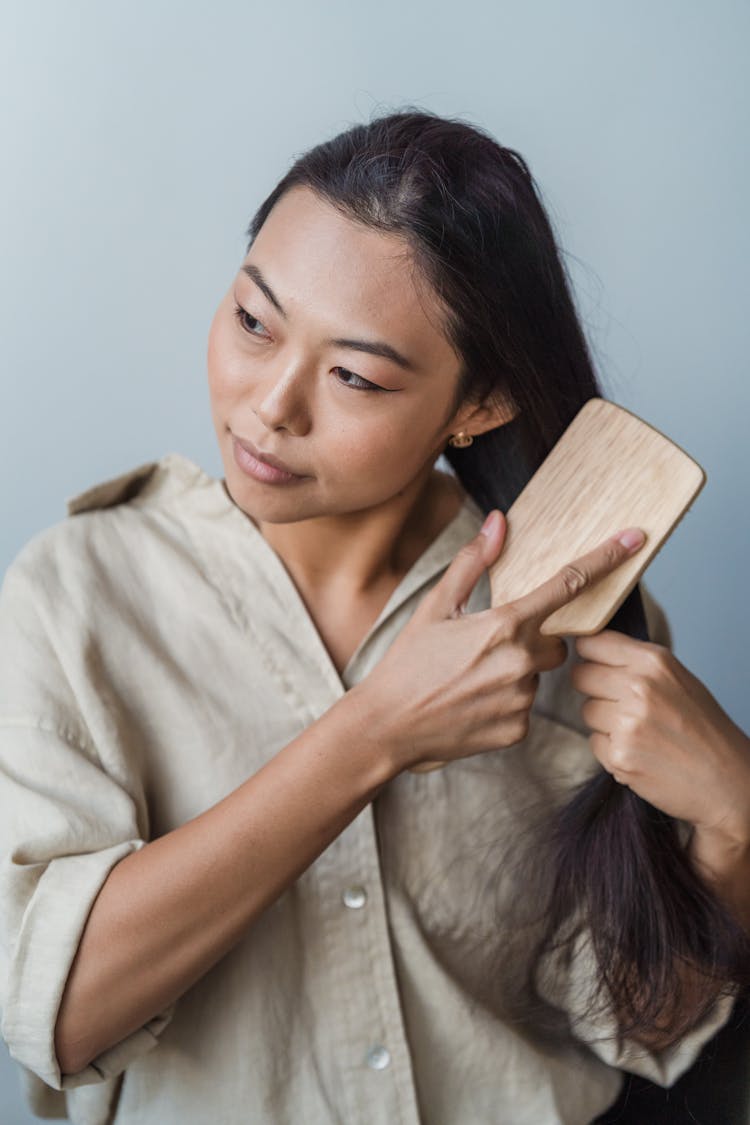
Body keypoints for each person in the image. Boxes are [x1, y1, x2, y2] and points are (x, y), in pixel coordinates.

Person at [1, 107, 749, 1125]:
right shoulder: (74, 593)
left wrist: (735, 826)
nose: (270, 405)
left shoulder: (576, 611)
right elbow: (62, 1019)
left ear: (478, 403)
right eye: (254, 322)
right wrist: (375, 732)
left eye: (354, 376)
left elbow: (638, 1027)